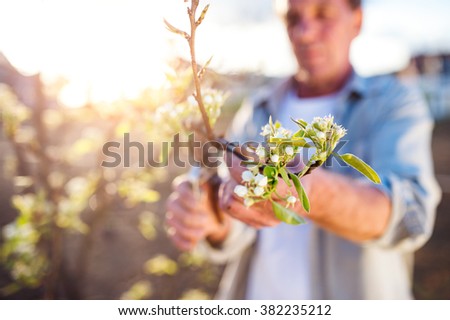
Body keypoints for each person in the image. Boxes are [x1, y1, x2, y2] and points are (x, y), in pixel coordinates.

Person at [165, 0, 441, 299]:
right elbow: (237, 219)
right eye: (293, 18)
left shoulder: (393, 102)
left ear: (356, 21)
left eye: (323, 14)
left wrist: (308, 191)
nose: (304, 33)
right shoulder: (258, 109)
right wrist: (211, 217)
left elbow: (411, 217)